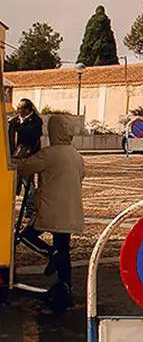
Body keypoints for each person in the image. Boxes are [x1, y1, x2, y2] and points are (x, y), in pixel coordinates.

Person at [15, 115, 84, 293]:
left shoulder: (48, 154)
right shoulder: (76, 155)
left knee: (26, 236)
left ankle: (49, 253)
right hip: (70, 209)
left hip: (50, 207)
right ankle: (65, 284)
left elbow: (24, 168)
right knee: (63, 247)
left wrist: (20, 156)